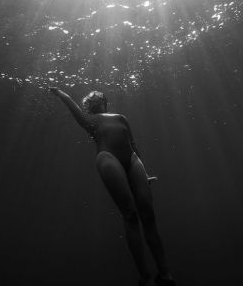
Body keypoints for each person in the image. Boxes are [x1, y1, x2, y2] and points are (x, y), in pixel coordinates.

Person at [50, 88, 176, 286]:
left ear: (104, 100)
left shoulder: (121, 117)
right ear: (88, 105)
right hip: (108, 158)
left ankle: (165, 274)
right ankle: (146, 277)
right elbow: (72, 106)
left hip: (133, 161)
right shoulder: (87, 120)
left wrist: (144, 174)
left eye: (96, 94)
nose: (94, 95)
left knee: (149, 214)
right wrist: (61, 94)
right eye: (90, 96)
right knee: (131, 215)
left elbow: (133, 146)